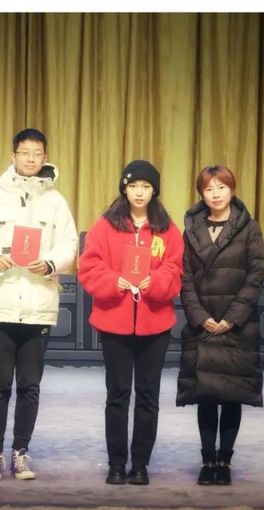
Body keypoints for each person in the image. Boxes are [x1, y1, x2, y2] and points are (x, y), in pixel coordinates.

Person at [0, 128, 78, 481]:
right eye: (24, 152)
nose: (30, 159)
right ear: (13, 156)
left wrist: (51, 263)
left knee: (29, 386)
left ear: (45, 158)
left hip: (38, 304)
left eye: (37, 153)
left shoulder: (56, 202)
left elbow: (69, 244)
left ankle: (21, 453)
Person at [77, 160, 183, 485]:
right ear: (124, 188)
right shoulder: (105, 226)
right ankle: (116, 463)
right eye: (134, 185)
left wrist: (155, 281)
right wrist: (114, 281)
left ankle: (140, 464)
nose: (139, 192)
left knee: (148, 396)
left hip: (155, 324)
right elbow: (89, 266)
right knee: (118, 394)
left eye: (146, 186)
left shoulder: (167, 229)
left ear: (154, 191)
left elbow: (176, 268)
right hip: (115, 323)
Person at [177, 165, 264, 485]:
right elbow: (185, 278)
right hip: (202, 324)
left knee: (230, 394)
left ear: (232, 190)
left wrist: (232, 318)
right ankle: (207, 460)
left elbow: (255, 276)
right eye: (209, 189)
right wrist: (201, 317)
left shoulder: (249, 228)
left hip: (236, 326)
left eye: (221, 188)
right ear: (201, 193)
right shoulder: (191, 229)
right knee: (206, 395)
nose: (215, 194)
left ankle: (224, 461)